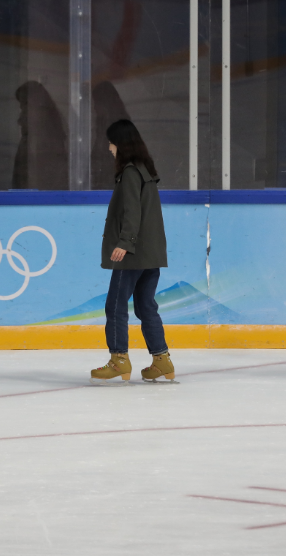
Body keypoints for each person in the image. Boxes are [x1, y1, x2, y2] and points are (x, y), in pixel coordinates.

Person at [90, 119, 174, 384]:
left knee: (115, 306)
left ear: (121, 144)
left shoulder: (129, 172)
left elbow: (132, 211)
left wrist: (125, 243)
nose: (109, 147)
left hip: (133, 252)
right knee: (145, 306)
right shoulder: (144, 170)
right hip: (150, 252)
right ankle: (162, 361)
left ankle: (119, 360)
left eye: (111, 142)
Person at [11, 81, 69, 190]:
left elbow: (49, 178)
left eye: (24, 107)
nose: (19, 120)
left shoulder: (47, 139)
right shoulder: (42, 134)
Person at [91, 81, 131, 190]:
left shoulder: (119, 127)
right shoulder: (102, 125)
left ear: (105, 104)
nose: (94, 108)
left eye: (96, 103)